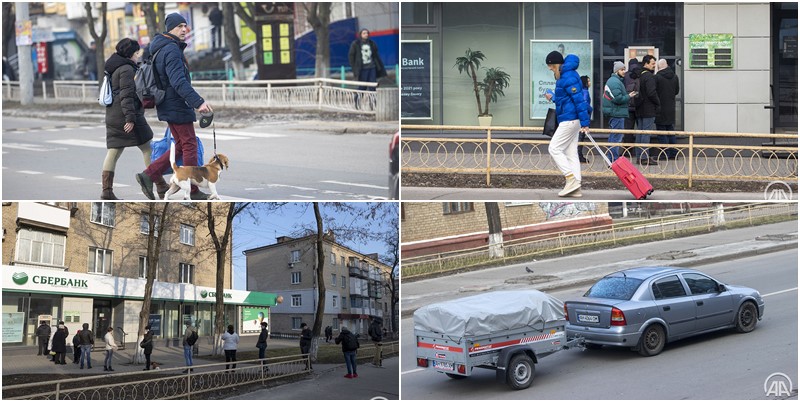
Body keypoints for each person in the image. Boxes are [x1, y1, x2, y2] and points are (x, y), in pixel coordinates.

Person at [135, 13, 214, 201]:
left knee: (180, 145)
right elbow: (178, 82)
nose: (184, 29)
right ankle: (193, 191)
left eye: (185, 25)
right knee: (189, 145)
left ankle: (149, 174)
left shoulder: (162, 48)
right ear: (170, 28)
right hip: (176, 104)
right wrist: (199, 102)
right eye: (179, 26)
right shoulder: (171, 50)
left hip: (169, 103)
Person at [101, 38, 155, 200]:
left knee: (114, 152)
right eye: (136, 52)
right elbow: (126, 96)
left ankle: (107, 191)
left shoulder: (114, 66)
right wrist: (130, 119)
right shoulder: (126, 69)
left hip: (113, 115)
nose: (138, 55)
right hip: (126, 115)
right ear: (130, 53)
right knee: (147, 148)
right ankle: (159, 183)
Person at [544, 51, 590, 198]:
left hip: (570, 120)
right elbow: (568, 100)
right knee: (571, 153)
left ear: (557, 64)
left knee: (554, 148)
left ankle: (570, 179)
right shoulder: (567, 75)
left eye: (551, 66)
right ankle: (576, 187)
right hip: (571, 119)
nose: (550, 69)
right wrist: (553, 98)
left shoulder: (567, 76)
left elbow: (579, 100)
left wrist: (585, 122)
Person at [602, 61, 635, 162]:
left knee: (614, 137)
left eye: (624, 69)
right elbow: (618, 99)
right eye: (622, 69)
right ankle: (613, 160)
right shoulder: (615, 82)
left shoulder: (614, 81)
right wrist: (629, 96)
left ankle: (611, 159)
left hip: (615, 112)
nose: (624, 71)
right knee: (616, 138)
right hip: (617, 113)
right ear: (616, 71)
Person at [634, 54, 661, 165]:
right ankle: (644, 157)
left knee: (640, 133)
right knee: (646, 134)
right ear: (646, 63)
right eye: (652, 64)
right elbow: (651, 93)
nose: (654, 66)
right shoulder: (649, 76)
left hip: (639, 107)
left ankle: (639, 156)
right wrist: (657, 102)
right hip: (648, 108)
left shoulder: (639, 75)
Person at [655, 59, 680, 160]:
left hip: (660, 108)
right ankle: (674, 153)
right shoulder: (675, 77)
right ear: (667, 65)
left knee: (662, 132)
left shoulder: (657, 77)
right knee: (670, 131)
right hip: (671, 108)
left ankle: (664, 154)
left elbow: (654, 92)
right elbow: (676, 91)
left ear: (658, 66)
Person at [348, 28, 387, 93]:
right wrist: (354, 68)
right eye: (364, 33)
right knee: (362, 87)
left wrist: (380, 67)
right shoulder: (356, 44)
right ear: (360, 35)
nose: (366, 35)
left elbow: (376, 56)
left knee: (372, 86)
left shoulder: (371, 43)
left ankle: (372, 102)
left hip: (372, 67)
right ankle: (357, 101)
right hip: (362, 68)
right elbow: (351, 56)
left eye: (367, 33)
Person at [622, 58, 641, 153]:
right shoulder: (640, 75)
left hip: (628, 107)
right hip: (639, 106)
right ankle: (641, 152)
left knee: (628, 130)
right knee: (641, 130)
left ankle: (628, 152)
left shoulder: (625, 76)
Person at [578, 75, 594, 163]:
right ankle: (579, 155)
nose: (590, 83)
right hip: (584, 118)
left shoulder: (581, 91)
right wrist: (590, 109)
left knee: (579, 137)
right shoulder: (585, 92)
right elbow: (584, 104)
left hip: (580, 118)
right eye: (588, 81)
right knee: (580, 137)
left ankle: (578, 155)